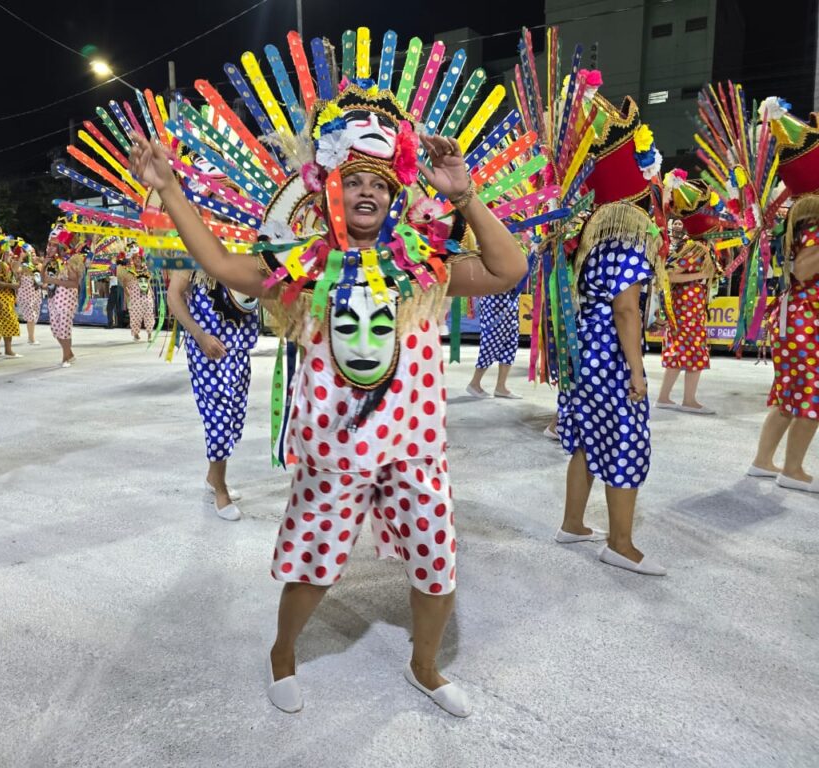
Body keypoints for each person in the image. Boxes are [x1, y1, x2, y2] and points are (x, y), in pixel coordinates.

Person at [128, 39, 529, 715]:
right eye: (357, 182)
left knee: (437, 566)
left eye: (382, 184)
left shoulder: (425, 266)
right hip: (334, 453)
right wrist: (169, 191)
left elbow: (508, 269)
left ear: (395, 196)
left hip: (416, 450)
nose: (369, 191)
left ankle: (425, 667)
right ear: (333, 191)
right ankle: (283, 652)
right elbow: (223, 268)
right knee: (312, 569)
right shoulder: (302, 265)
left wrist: (466, 197)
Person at [552, 95, 667, 576]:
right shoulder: (628, 245)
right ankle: (621, 544)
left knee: (585, 438)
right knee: (625, 440)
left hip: (585, 355)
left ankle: (573, 523)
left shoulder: (591, 246)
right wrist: (637, 371)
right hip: (611, 358)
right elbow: (626, 311)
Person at [748, 100, 819, 493]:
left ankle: (763, 461)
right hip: (805, 318)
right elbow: (804, 269)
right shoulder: (812, 216)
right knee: (809, 396)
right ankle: (793, 469)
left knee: (791, 396)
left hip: (798, 318)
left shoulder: (803, 214)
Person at [166, 263, 258, 521]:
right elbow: (174, 295)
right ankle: (220, 489)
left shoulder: (243, 248)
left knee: (234, 420)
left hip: (239, 349)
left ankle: (212, 476)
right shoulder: (194, 249)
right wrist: (199, 335)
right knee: (218, 419)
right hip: (208, 349)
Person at [656, 174, 718, 414]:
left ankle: (674, 398)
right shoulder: (694, 248)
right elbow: (669, 276)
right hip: (686, 309)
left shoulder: (696, 246)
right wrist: (698, 278)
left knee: (685, 351)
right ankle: (681, 399)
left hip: (690, 308)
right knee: (687, 350)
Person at [466, 287, 522, 399]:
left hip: (511, 302)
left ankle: (501, 387)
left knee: (510, 345)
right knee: (490, 344)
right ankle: (474, 383)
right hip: (495, 302)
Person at [42, 223, 84, 367]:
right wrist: (44, 265)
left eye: (53, 245)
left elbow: (74, 283)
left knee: (64, 329)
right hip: (53, 298)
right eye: (49, 245)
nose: (50, 248)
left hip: (67, 299)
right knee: (55, 330)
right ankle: (70, 354)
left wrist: (52, 280)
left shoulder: (71, 261)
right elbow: (43, 280)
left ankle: (65, 358)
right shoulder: (52, 261)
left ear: (61, 246)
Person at [0, 237, 22, 358]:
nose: (10, 253)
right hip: (1, 298)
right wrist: (12, 285)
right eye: (8, 250)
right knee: (9, 323)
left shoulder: (4, 264)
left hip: (5, 298)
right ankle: (8, 350)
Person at [122, 253, 155, 341]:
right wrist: (128, 294)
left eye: (139, 258)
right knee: (135, 317)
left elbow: (147, 282)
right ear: (133, 260)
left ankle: (149, 334)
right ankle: (136, 334)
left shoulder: (145, 270)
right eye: (135, 258)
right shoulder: (129, 271)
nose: (138, 260)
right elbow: (124, 284)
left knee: (149, 315)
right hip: (135, 298)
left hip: (146, 297)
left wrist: (151, 291)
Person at [16, 244, 42, 345]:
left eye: (34, 253)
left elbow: (42, 277)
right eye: (31, 253)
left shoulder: (38, 266)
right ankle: (31, 338)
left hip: (35, 294)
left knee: (35, 316)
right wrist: (20, 258)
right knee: (31, 317)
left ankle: (31, 337)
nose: (33, 255)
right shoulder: (23, 266)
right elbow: (16, 270)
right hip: (25, 295)